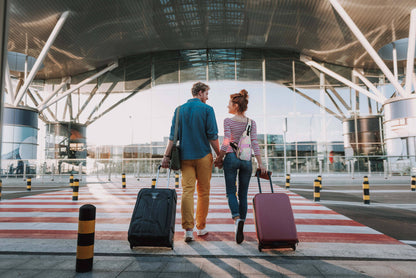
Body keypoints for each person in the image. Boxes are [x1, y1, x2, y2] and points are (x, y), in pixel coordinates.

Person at [161, 82, 220, 243]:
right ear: (200, 93)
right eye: (206, 94)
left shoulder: (179, 110)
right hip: (203, 157)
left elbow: (173, 137)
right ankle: (201, 227)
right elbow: (213, 136)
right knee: (203, 192)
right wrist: (220, 155)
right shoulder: (208, 109)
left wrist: (166, 156)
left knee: (187, 191)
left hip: (185, 158)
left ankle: (188, 230)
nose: (207, 98)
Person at [214, 89, 266, 244]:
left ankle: (236, 219)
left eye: (229, 103)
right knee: (243, 195)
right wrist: (260, 163)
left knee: (231, 192)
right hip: (246, 159)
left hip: (231, 157)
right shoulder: (252, 123)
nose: (227, 106)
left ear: (236, 105)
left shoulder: (228, 121)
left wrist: (220, 157)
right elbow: (255, 143)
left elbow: (226, 141)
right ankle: (241, 223)